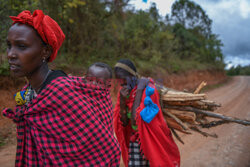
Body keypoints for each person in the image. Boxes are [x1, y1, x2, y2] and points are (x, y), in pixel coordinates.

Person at [2, 10, 120, 166]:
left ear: (46, 51)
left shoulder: (61, 92)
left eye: (22, 46)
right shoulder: (28, 91)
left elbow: (107, 149)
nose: (11, 54)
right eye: (9, 46)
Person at [113, 59, 180, 167]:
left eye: (123, 78)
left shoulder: (149, 89)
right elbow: (124, 124)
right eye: (118, 79)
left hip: (152, 141)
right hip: (135, 142)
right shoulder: (123, 92)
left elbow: (135, 121)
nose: (121, 82)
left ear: (133, 75)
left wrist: (139, 90)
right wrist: (122, 101)